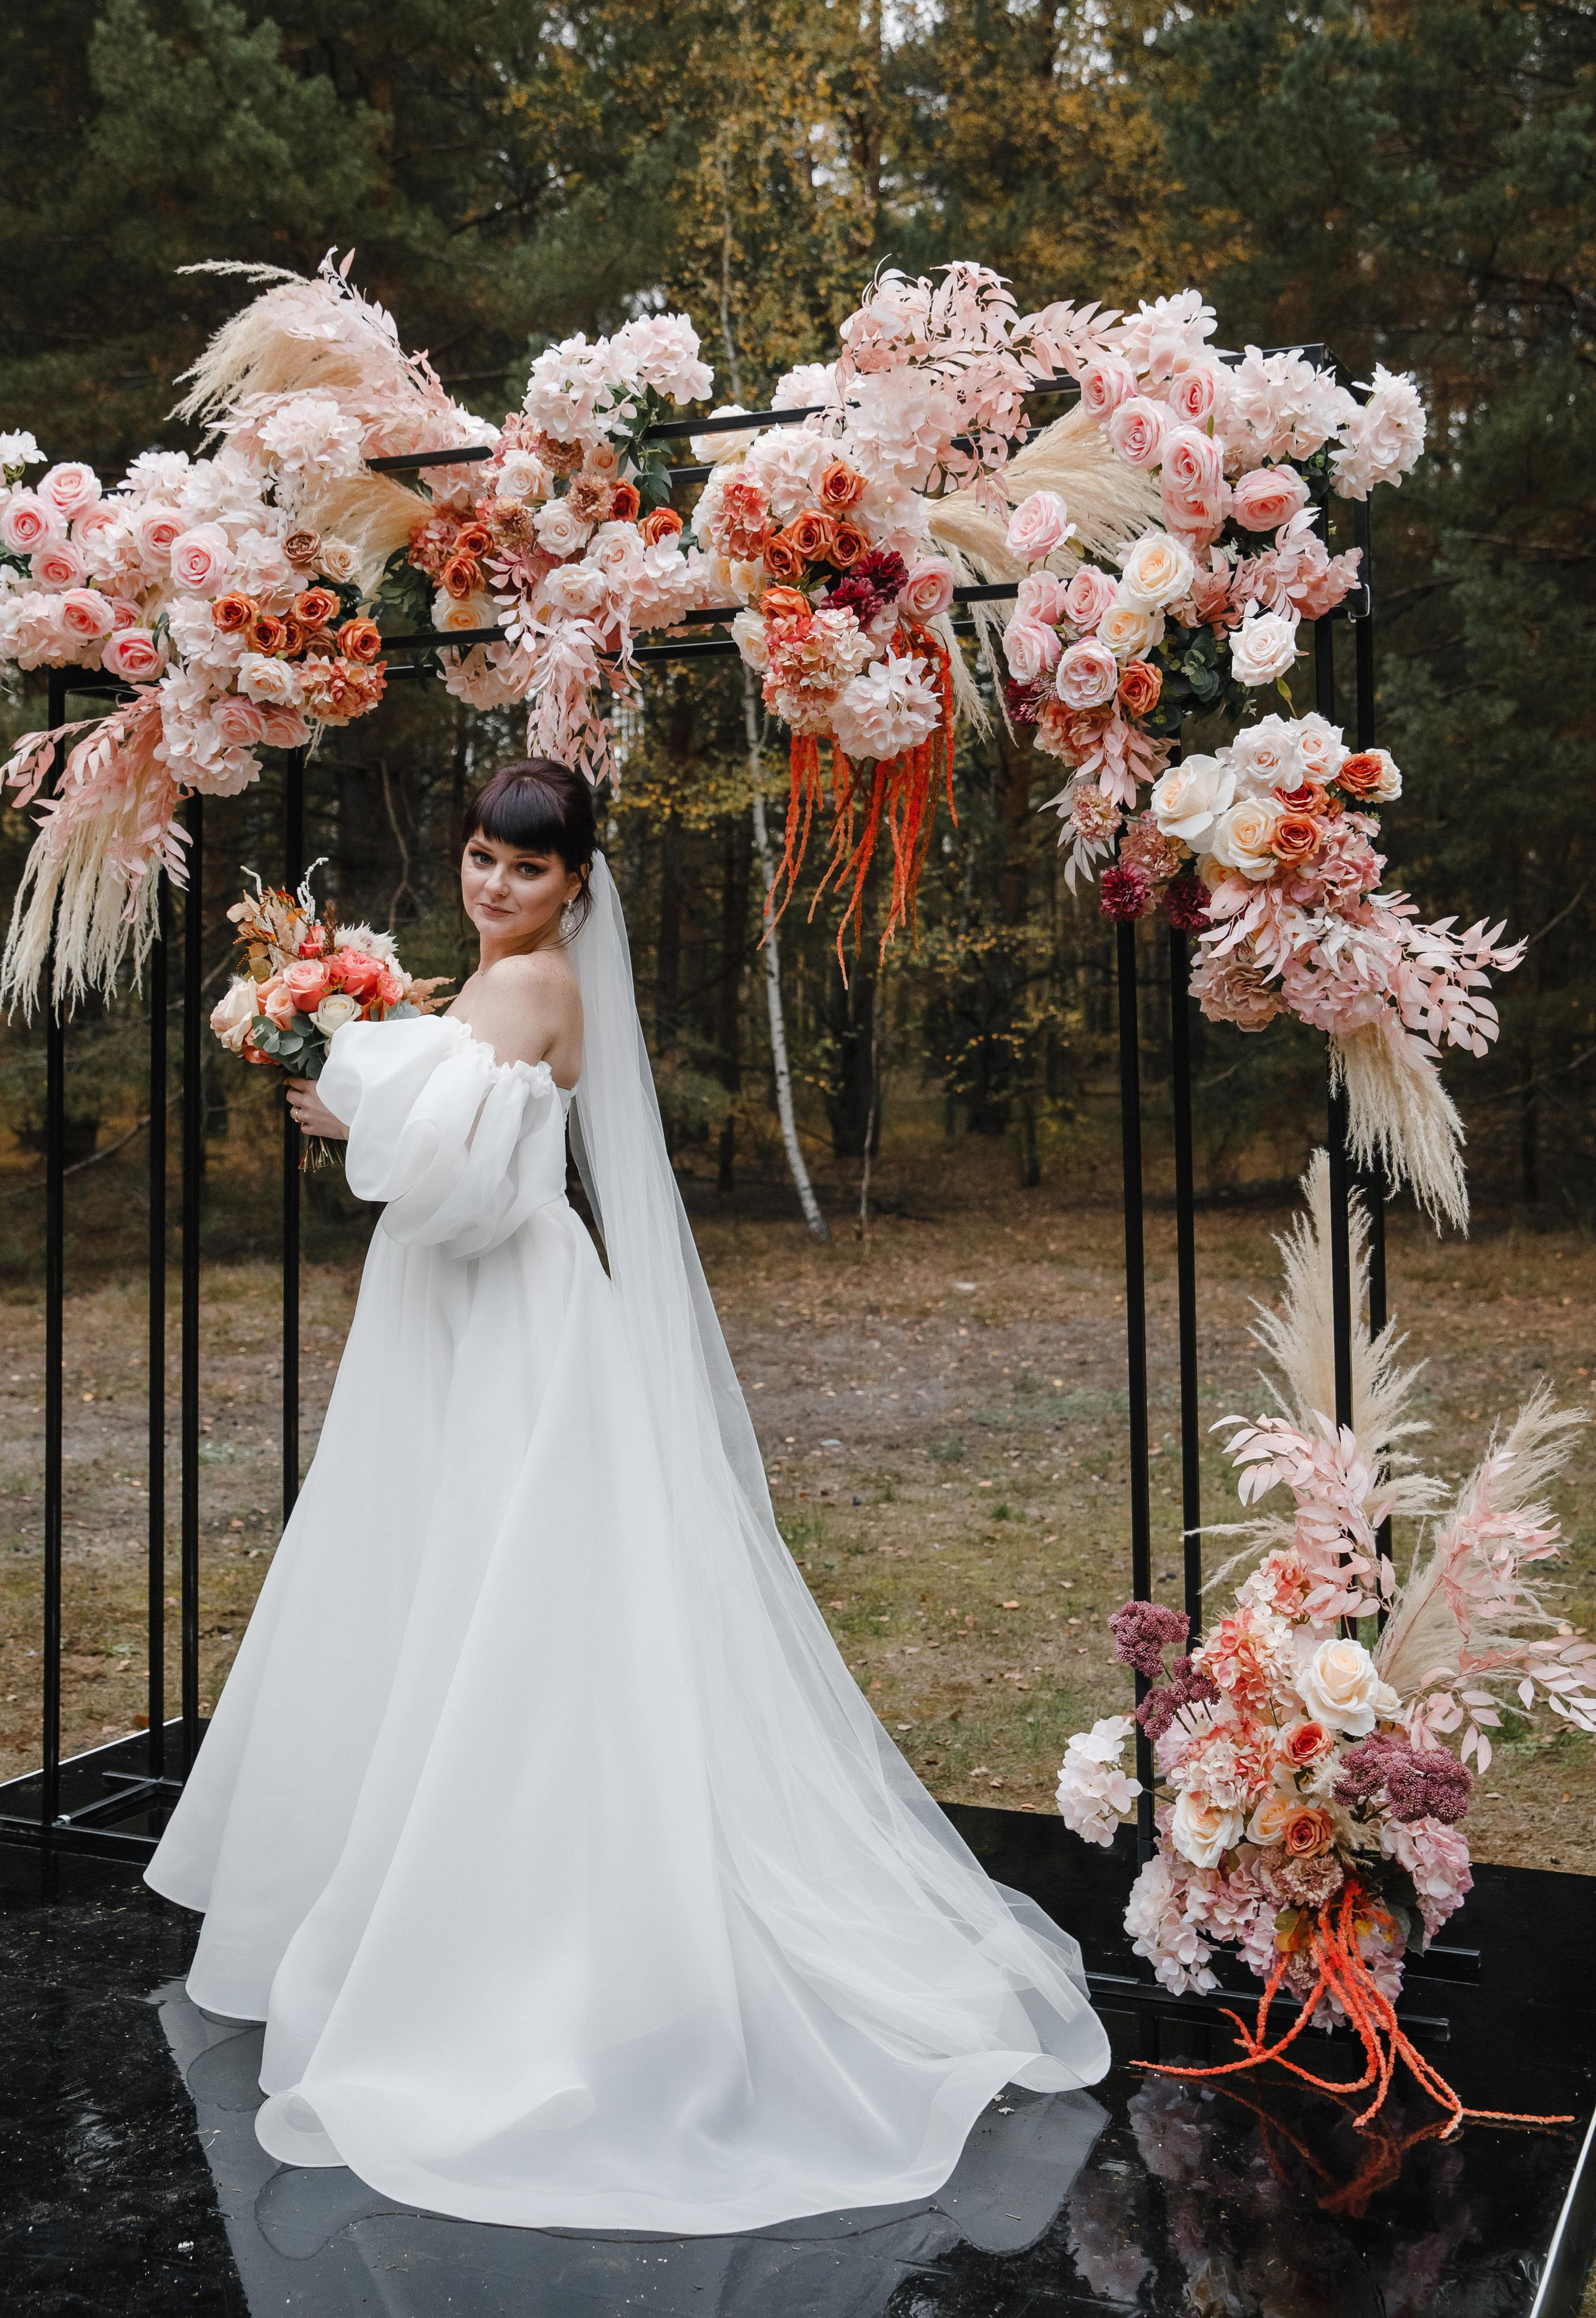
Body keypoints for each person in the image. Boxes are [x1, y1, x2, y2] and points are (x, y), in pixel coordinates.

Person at [145, 756, 1110, 2233]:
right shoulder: (490, 981)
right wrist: (363, 1073)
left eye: (526, 866)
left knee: (506, 1597)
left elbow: (461, 1189)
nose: (494, 884)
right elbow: (456, 1136)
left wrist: (348, 1114)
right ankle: (425, 1880)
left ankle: (513, 1929)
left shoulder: (533, 985)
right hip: (456, 1313)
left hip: (503, 1313)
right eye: (480, 855)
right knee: (436, 1583)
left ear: (574, 882)